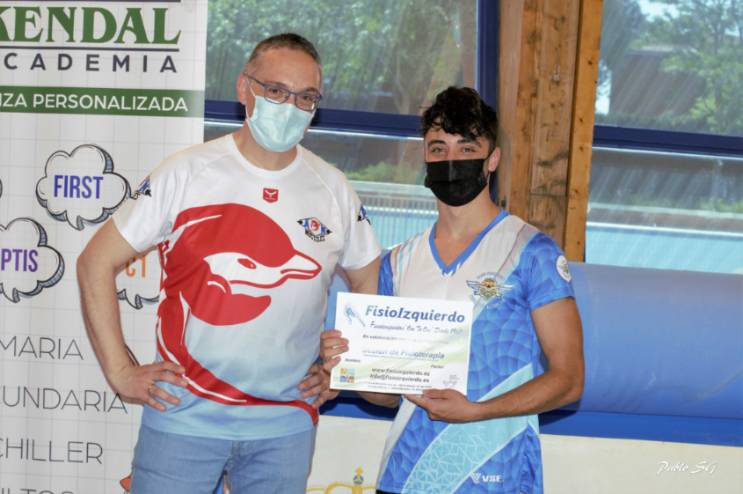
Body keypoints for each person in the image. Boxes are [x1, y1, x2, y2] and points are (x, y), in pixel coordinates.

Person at [77, 33, 380, 493]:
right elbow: (94, 263)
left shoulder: (333, 188)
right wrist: (121, 373)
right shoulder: (187, 172)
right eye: (276, 91)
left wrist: (344, 367)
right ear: (244, 88)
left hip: (284, 427)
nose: (290, 106)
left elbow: (367, 276)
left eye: (306, 97)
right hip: (182, 418)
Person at [321, 87, 584, 494]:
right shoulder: (397, 262)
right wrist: (348, 365)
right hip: (406, 474)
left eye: (467, 148)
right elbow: (386, 396)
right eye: (438, 148)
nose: (451, 160)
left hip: (496, 475)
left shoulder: (532, 253)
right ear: (425, 156)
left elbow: (569, 379)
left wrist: (477, 411)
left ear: (492, 159)